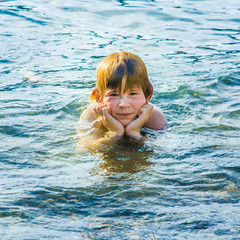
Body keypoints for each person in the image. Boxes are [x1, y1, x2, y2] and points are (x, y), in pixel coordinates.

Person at [78, 51, 167, 147]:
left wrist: (134, 133)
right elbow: (83, 149)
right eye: (114, 95)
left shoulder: (155, 118)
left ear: (148, 95)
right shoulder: (91, 117)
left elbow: (165, 151)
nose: (124, 104)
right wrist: (115, 133)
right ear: (98, 97)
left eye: (133, 94)